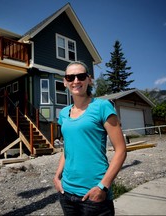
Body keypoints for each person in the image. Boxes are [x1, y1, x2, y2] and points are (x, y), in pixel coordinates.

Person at [53, 61, 127, 216]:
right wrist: (57, 176)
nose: (76, 81)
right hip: (66, 193)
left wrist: (103, 187)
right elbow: (67, 149)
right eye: (70, 77)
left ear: (89, 79)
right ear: (65, 82)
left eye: (80, 76)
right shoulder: (64, 113)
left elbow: (121, 150)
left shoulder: (102, 106)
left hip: (94, 195)